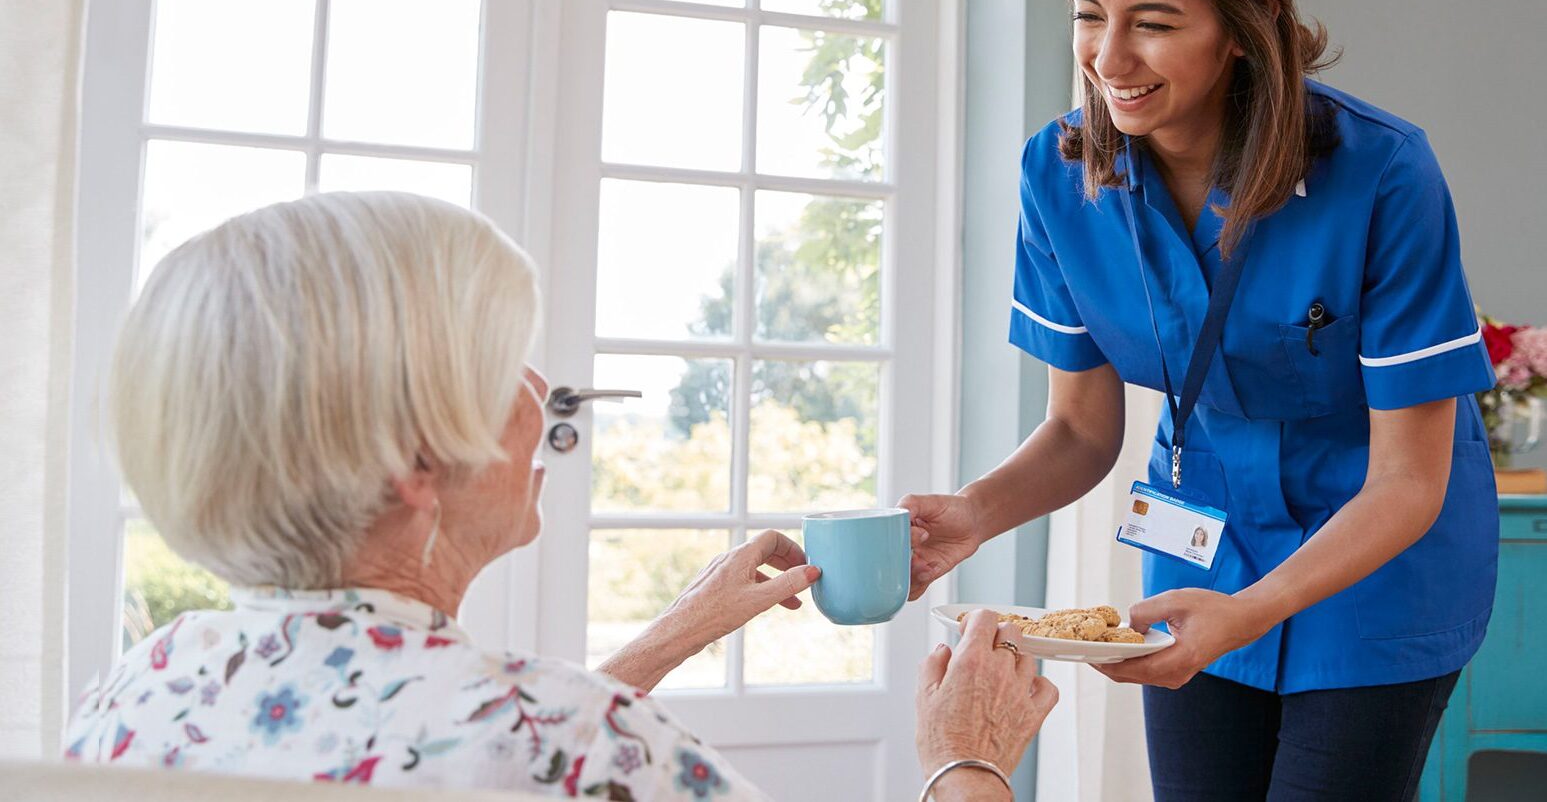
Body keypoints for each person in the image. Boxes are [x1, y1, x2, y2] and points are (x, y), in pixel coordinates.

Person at [64, 191, 1056, 801]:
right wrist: (963, 761)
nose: (544, 397)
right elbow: (542, 747)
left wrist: (668, 635)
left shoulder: (136, 689)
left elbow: (462, 746)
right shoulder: (579, 742)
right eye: (506, 367)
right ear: (415, 458)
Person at [900, 0, 1497, 801]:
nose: (1108, 58)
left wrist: (1252, 611)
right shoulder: (1056, 175)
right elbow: (1080, 431)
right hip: (1198, 550)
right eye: (1090, 15)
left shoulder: (1381, 174)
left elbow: (1408, 480)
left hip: (1374, 570)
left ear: (1244, 26)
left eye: (1154, 24)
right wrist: (972, 514)